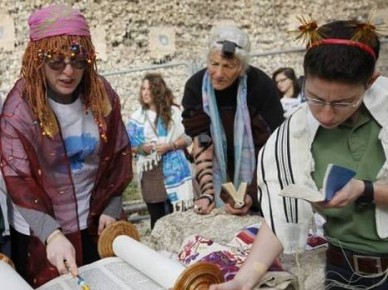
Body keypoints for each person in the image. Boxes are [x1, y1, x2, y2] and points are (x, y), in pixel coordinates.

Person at [210, 18, 388, 290]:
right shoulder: (296, 134)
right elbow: (284, 211)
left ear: (370, 82)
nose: (326, 115)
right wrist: (244, 280)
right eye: (315, 98)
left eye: (342, 102)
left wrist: (365, 190)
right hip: (345, 273)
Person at [0, 4, 132, 287]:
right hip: (40, 230)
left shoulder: (102, 95)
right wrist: (52, 234)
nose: (68, 72)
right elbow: (18, 179)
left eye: (78, 60)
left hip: (95, 220)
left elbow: (119, 155)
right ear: (37, 59)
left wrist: (112, 205)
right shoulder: (19, 108)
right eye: (55, 61)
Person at [181, 25, 284, 216]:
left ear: (242, 67)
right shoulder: (196, 87)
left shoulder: (260, 87)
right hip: (218, 169)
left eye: (228, 66)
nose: (219, 74)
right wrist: (208, 193)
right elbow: (201, 141)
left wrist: (251, 195)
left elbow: (271, 147)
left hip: (259, 173)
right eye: (214, 63)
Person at [127, 73, 194, 229]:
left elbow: (188, 137)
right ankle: (159, 250)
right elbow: (130, 147)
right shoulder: (136, 118)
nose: (145, 92)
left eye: (150, 88)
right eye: (143, 88)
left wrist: (170, 146)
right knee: (156, 217)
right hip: (151, 172)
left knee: (178, 216)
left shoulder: (174, 113)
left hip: (175, 171)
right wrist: (142, 149)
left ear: (158, 90)